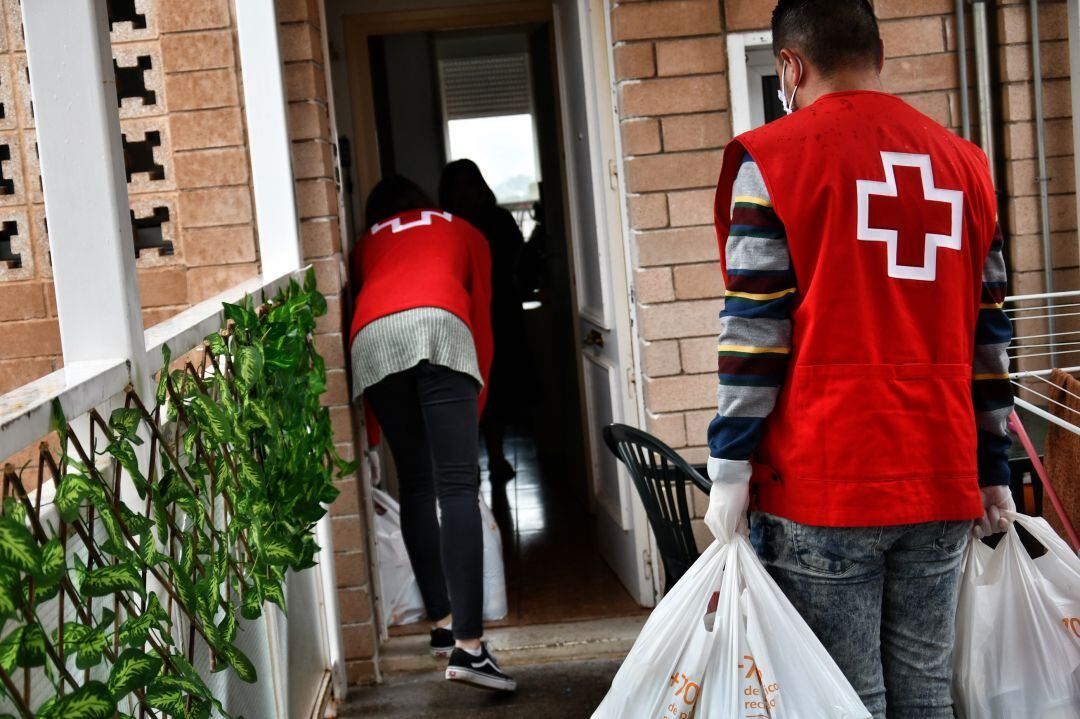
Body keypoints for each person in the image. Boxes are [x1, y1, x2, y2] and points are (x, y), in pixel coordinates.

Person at [704, 1, 1014, 717]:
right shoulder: (966, 166)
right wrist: (993, 466)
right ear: (878, 54)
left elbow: (755, 333)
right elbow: (989, 334)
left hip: (826, 480)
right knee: (926, 692)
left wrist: (728, 469)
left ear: (790, 65)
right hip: (941, 476)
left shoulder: (774, 160)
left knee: (841, 700)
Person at [349, 175, 516, 692]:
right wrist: (478, 398)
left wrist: (371, 431)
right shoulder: (463, 229)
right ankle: (470, 648)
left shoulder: (367, 243)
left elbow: (370, 305)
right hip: (442, 325)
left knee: (418, 484)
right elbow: (480, 317)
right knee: (459, 485)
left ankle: (443, 627)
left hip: (371, 340)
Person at [439, 159, 527, 482]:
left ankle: (496, 455)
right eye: (457, 185)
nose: (465, 192)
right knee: (463, 391)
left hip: (500, 313)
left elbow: (515, 262)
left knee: (500, 390)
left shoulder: (500, 221)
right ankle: (468, 465)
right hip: (460, 318)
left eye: (470, 183)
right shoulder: (445, 226)